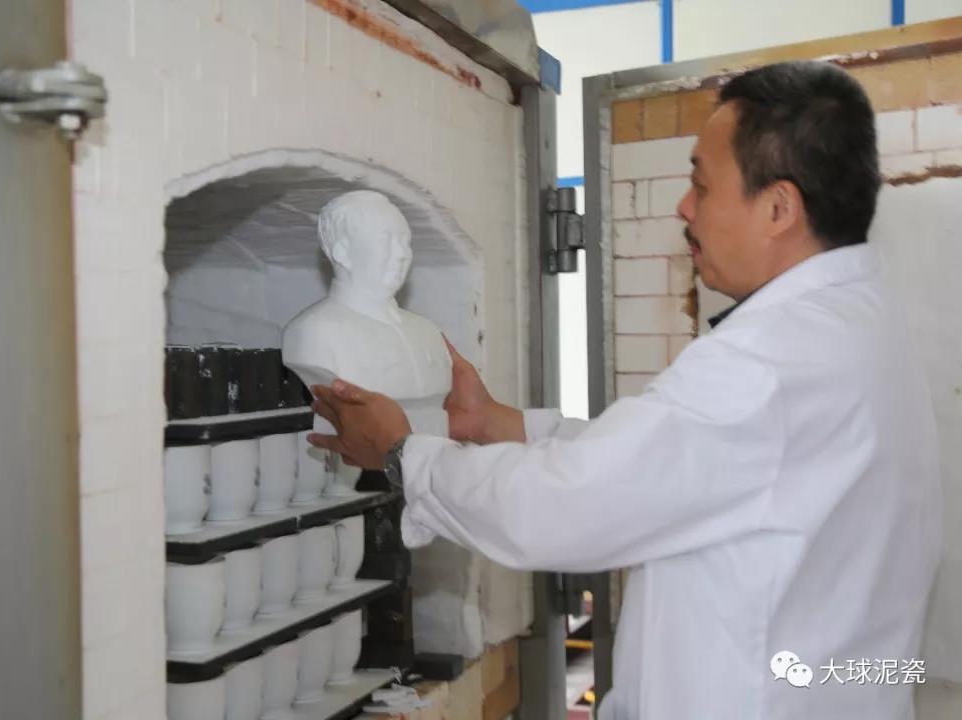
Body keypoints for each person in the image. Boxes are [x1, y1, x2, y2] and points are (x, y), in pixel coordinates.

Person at [308, 61, 942, 719]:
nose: (685, 207)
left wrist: (401, 455)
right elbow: (683, 465)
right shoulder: (858, 326)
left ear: (779, 207)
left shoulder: (768, 362)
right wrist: (498, 423)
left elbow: (565, 506)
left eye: (702, 184)